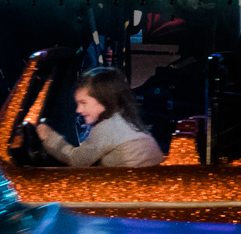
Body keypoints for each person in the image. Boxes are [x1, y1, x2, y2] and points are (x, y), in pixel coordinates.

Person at [34, 68, 163, 167]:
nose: (78, 110)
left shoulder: (108, 128)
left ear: (103, 100)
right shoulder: (125, 121)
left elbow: (76, 160)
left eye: (83, 103)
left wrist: (48, 136)